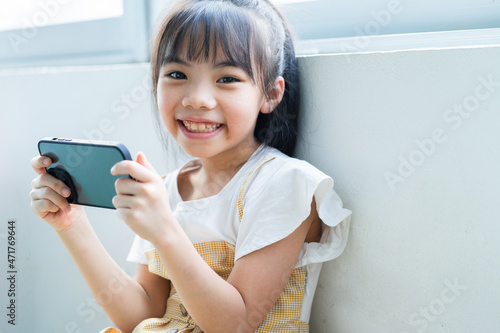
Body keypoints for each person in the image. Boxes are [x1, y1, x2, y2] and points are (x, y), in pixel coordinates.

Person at [29, 0, 352, 332]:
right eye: (177, 74)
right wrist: (71, 225)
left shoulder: (284, 184)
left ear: (270, 94)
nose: (196, 98)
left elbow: (236, 325)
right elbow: (142, 317)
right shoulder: (166, 190)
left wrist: (164, 228)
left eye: (227, 78)